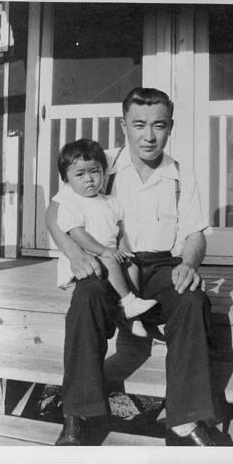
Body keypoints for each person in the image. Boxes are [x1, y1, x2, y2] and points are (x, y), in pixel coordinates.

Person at [46, 87, 217, 446]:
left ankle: (187, 422)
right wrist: (74, 254)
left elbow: (195, 234)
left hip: (158, 266)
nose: (149, 135)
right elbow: (55, 210)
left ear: (171, 126)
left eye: (159, 125)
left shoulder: (182, 176)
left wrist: (188, 262)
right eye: (139, 125)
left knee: (192, 299)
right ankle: (80, 414)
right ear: (124, 124)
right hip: (109, 261)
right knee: (87, 297)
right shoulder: (99, 166)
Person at [54, 138, 157, 337]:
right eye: (80, 174)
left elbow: (119, 231)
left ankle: (130, 310)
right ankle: (127, 302)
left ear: (104, 171)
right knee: (111, 260)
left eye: (95, 171)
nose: (89, 179)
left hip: (109, 254)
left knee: (132, 264)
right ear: (66, 180)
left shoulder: (110, 201)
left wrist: (124, 248)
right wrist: (103, 251)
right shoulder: (71, 202)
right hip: (87, 257)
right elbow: (77, 234)